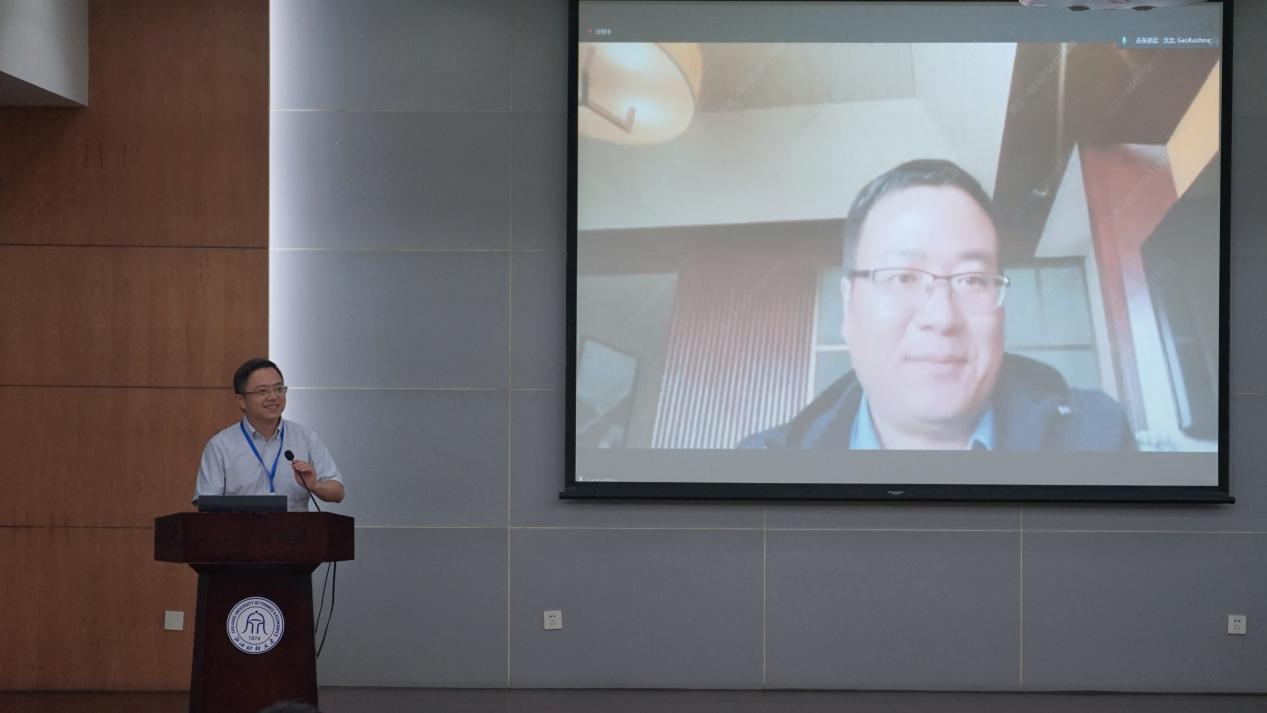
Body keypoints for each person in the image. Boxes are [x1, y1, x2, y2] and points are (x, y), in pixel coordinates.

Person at [740, 159, 1135, 451]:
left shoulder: (1098, 438)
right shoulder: (763, 468)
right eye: (904, 277)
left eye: (973, 280)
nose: (942, 317)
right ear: (849, 305)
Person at [195, 358, 346, 509]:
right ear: (241, 400)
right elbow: (207, 504)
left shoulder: (305, 437)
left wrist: (315, 485)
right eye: (262, 391)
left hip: (295, 525)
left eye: (279, 389)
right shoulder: (220, 445)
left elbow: (338, 492)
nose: (273, 397)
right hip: (240, 525)